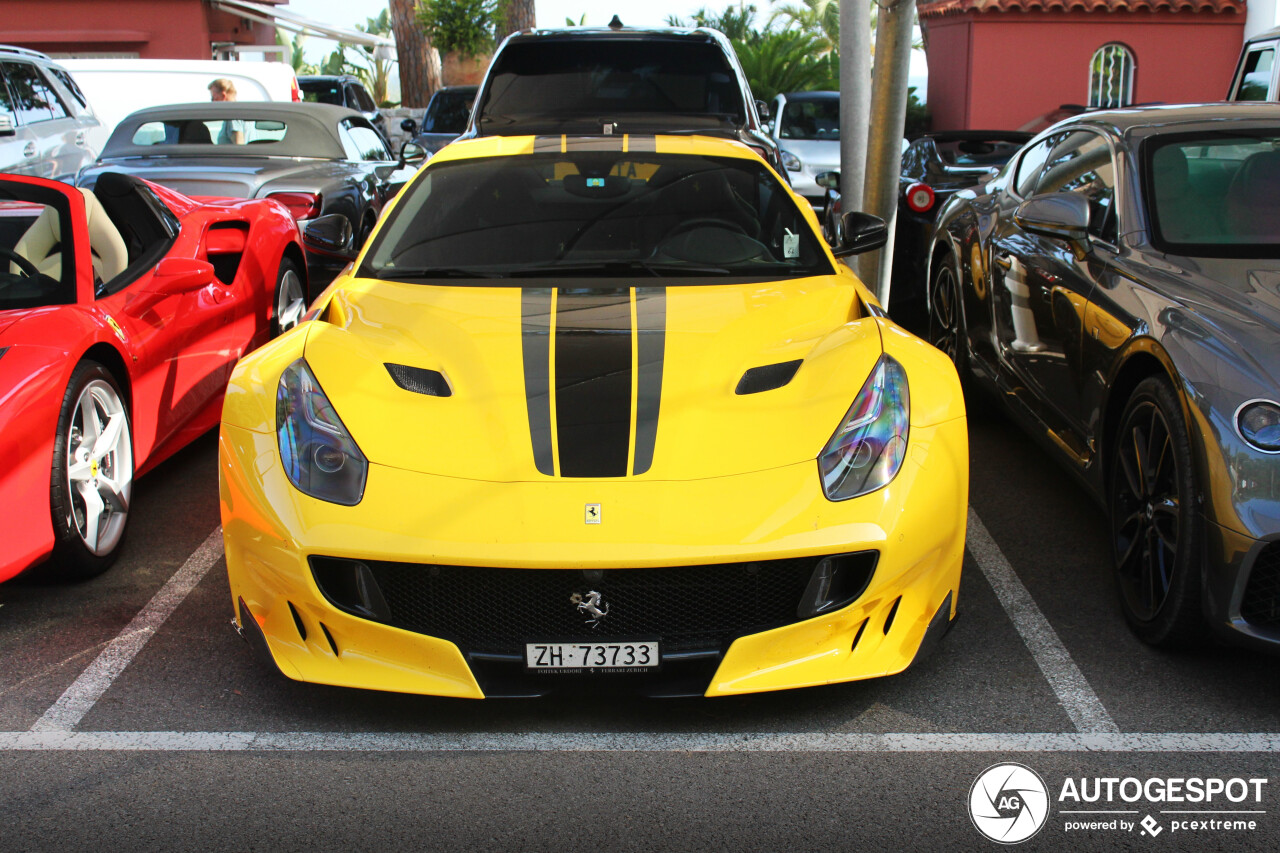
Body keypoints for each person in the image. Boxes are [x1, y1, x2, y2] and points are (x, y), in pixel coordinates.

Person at [208, 78, 245, 145]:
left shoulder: (232, 117)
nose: (212, 102)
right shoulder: (246, 114)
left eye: (213, 98)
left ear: (223, 95)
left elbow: (239, 146)